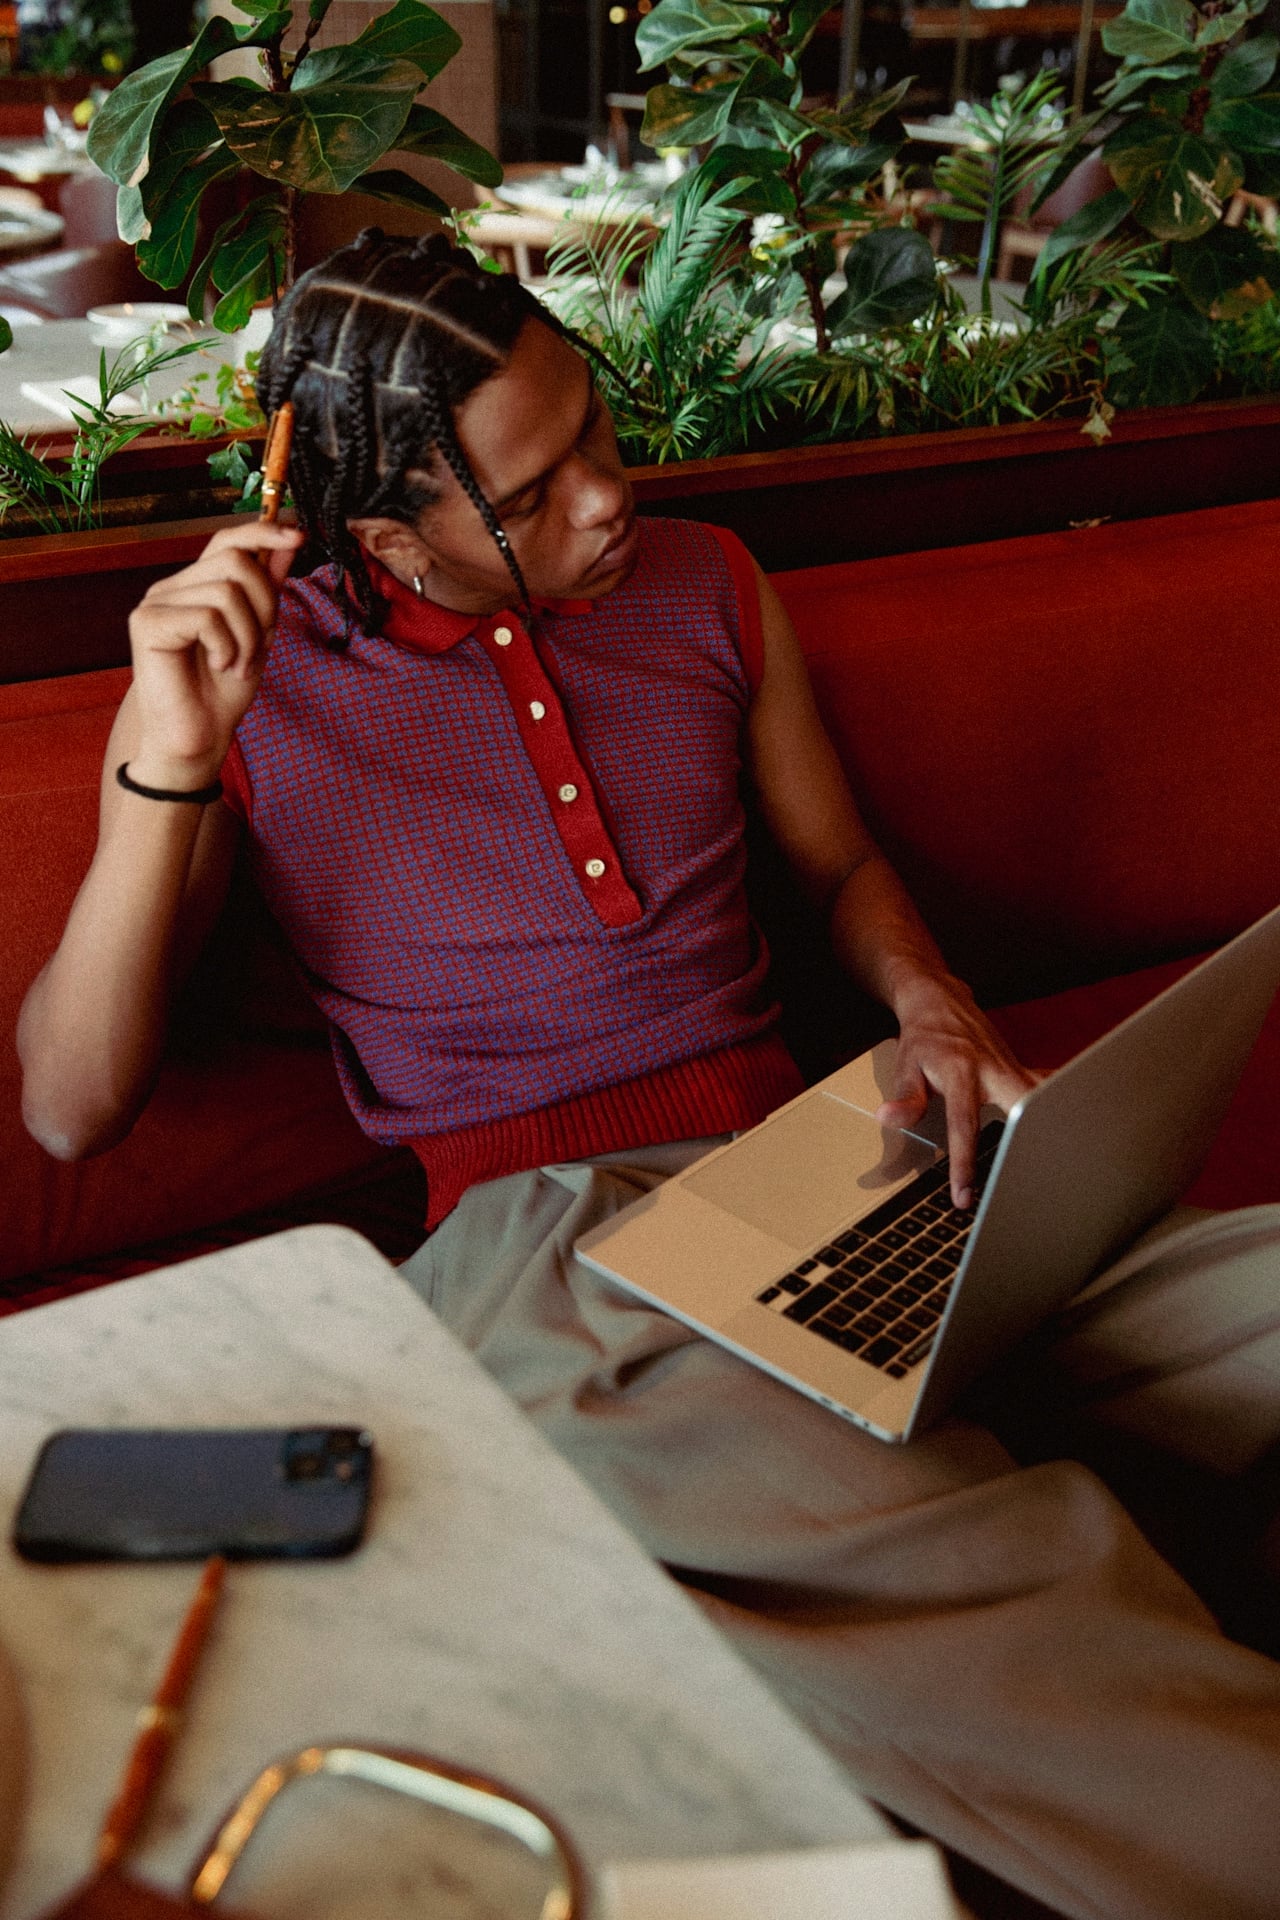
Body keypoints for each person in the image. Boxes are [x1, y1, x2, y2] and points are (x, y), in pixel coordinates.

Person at [17, 232, 1280, 1920]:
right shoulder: (244, 691)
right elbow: (67, 1106)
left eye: (598, 435)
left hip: (840, 1154)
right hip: (549, 1260)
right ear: (390, 533)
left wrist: (932, 1004)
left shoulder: (708, 584)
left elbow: (837, 868)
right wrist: (163, 763)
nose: (611, 496)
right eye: (536, 492)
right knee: (971, 1556)